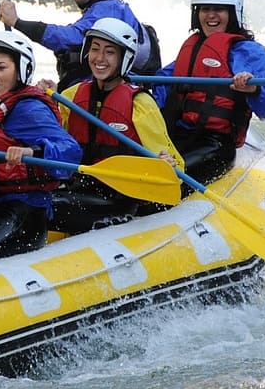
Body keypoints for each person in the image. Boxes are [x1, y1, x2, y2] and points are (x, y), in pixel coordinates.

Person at [49, 17, 185, 234]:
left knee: (45, 207)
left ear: (125, 57)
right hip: (79, 187)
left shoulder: (139, 104)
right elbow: (55, 142)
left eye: (110, 52)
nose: (99, 58)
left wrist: (164, 164)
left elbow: (174, 165)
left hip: (118, 198)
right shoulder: (71, 97)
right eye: (95, 49)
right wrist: (42, 100)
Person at [152, 0, 265, 183]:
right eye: (205, 9)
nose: (211, 16)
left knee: (163, 178)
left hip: (214, 144)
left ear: (233, 13)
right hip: (176, 136)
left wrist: (254, 90)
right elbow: (160, 84)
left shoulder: (250, 52)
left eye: (219, 9)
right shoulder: (193, 47)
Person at [0, 30, 82, 261]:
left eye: (1, 67)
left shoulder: (28, 108)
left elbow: (71, 152)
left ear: (21, 70)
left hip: (25, 221)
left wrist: (33, 151)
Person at [0, 0, 160, 91]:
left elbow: (69, 39)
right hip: (92, 92)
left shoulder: (110, 9)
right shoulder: (100, 10)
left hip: (115, 95)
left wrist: (17, 22)